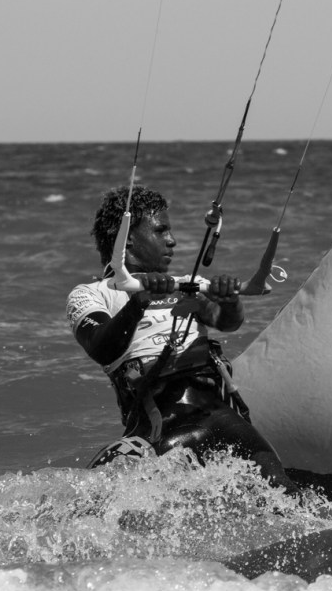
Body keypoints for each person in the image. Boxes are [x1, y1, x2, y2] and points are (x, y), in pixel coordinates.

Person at [66, 184, 297, 492]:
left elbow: (226, 322)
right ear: (128, 237)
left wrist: (229, 301)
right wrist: (139, 301)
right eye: (161, 230)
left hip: (218, 416)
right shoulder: (90, 295)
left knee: (282, 489)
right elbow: (102, 347)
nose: (172, 240)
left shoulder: (187, 284)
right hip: (160, 425)